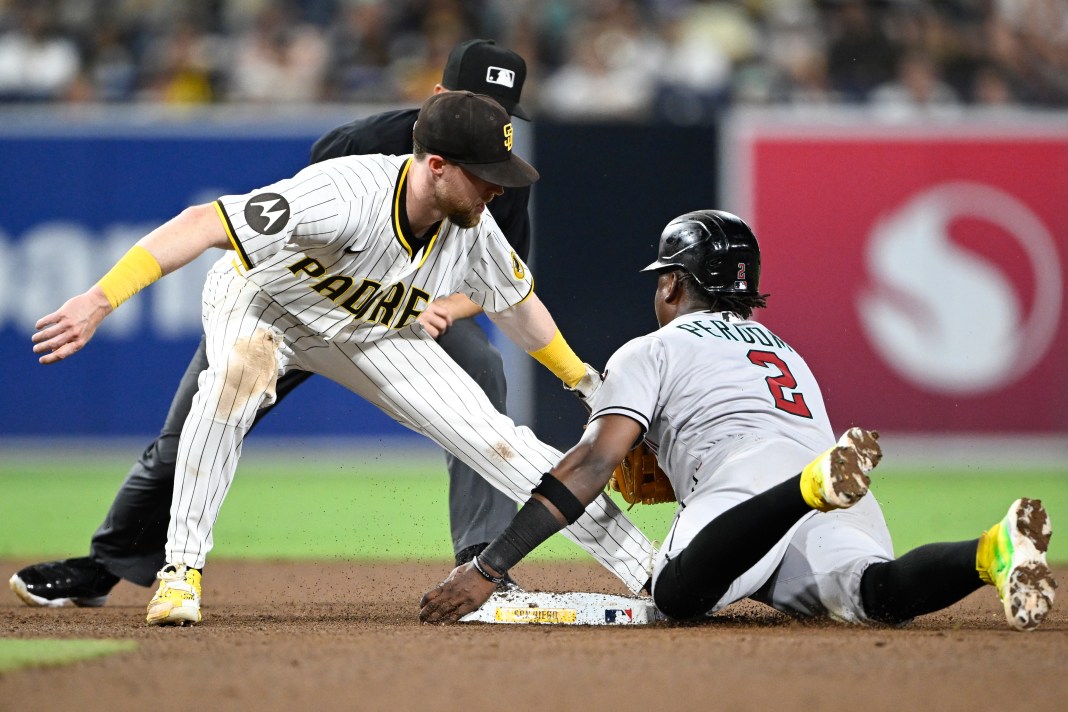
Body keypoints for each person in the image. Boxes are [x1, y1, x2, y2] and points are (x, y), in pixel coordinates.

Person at [26, 90, 657, 626]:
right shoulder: (344, 195)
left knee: (500, 442)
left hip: (367, 330)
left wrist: (585, 383)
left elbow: (520, 310)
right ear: (435, 165)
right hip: (263, 306)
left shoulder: (474, 230)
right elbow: (200, 223)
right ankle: (180, 572)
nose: (497, 187)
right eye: (484, 173)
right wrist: (100, 299)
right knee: (230, 389)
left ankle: (653, 571)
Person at [419, 209, 1057, 632]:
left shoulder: (652, 348)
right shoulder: (787, 352)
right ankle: (990, 550)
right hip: (820, 474)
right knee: (876, 595)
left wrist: (487, 567)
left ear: (672, 285)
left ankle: (809, 487)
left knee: (674, 597)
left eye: (661, 281)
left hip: (762, 481)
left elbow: (590, 465)